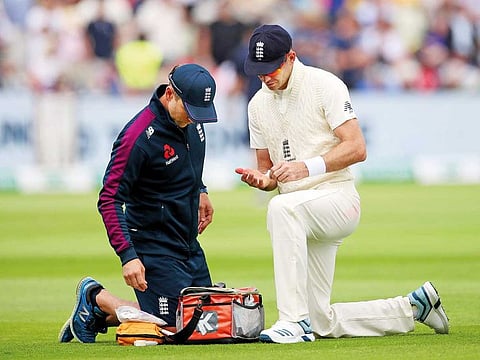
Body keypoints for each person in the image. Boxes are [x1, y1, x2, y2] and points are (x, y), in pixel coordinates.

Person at [235, 24, 449, 344]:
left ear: (291, 57)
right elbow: (267, 170)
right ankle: (414, 308)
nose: (266, 77)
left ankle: (292, 321)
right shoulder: (257, 105)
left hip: (337, 199)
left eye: (272, 68)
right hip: (298, 213)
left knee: (280, 208)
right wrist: (262, 180)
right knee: (322, 321)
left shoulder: (324, 85)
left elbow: (357, 148)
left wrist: (306, 168)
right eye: (258, 71)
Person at [58, 63, 218, 343]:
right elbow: (108, 199)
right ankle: (98, 296)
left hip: (187, 241)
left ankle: (95, 312)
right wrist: (128, 256)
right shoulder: (137, 137)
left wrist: (201, 190)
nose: (195, 120)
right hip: (152, 244)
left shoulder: (191, 120)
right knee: (175, 326)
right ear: (170, 94)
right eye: (190, 111)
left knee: (205, 322)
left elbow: (188, 164)